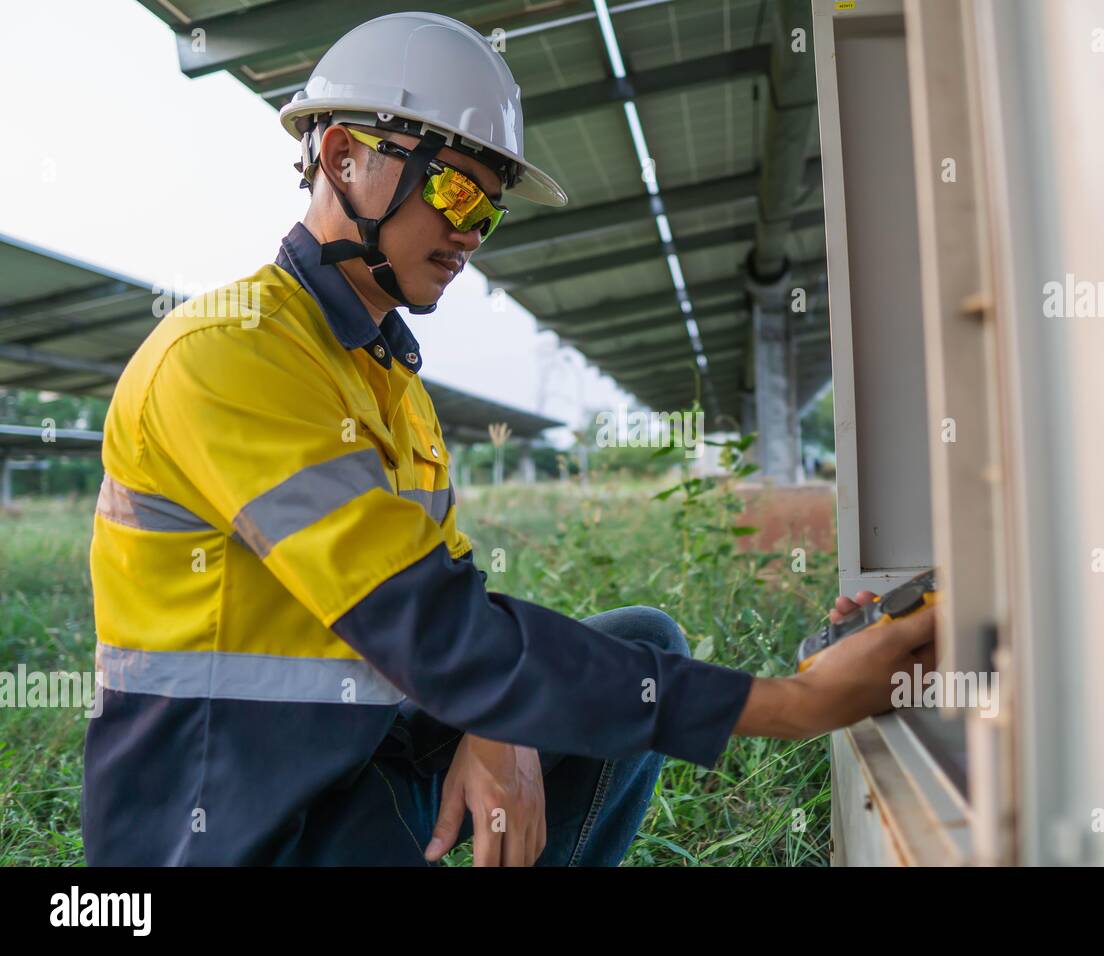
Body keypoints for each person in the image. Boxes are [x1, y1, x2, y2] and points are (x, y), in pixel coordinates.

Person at [82, 11, 936, 866]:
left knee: (643, 641)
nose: (469, 234)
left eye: (488, 212)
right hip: (236, 827)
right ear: (343, 157)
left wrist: (500, 717)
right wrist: (795, 702)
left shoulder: (388, 383)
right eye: (455, 191)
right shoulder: (232, 356)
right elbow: (437, 635)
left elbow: (455, 607)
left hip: (353, 778)